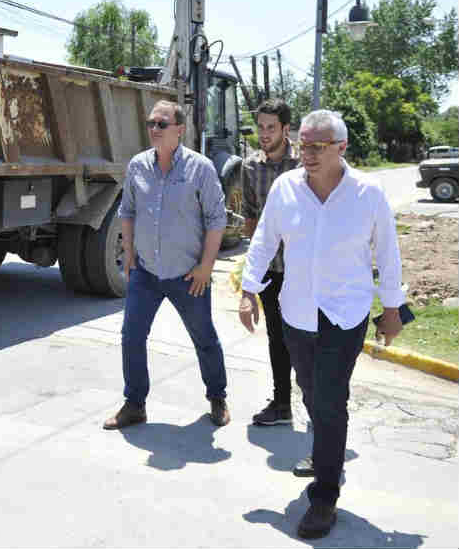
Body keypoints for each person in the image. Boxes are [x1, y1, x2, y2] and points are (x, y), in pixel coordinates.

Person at [239, 109, 404, 540]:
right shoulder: (285, 189)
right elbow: (263, 240)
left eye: (317, 146)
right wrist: (247, 288)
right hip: (296, 311)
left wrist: (392, 309)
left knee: (329, 400)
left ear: (341, 148)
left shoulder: (367, 193)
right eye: (303, 146)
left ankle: (324, 494)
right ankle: (326, 450)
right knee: (311, 391)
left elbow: (387, 252)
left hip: (344, 315)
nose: (306, 154)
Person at [102, 100, 230, 430]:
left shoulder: (200, 168)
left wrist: (205, 267)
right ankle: (135, 404)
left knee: (204, 337)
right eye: (150, 123)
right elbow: (126, 211)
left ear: (180, 129)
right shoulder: (137, 166)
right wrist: (129, 252)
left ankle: (217, 397)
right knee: (131, 336)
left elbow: (217, 219)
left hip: (189, 275)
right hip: (146, 271)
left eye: (161, 123)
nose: (154, 129)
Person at [241, 99, 300, 429]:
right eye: (261, 127)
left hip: (305, 269)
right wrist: (251, 267)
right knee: (277, 337)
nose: (264, 134)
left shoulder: (305, 163)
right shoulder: (250, 168)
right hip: (271, 269)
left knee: (310, 336)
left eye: (271, 128)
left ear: (285, 129)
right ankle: (281, 403)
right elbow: (251, 218)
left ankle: (321, 403)